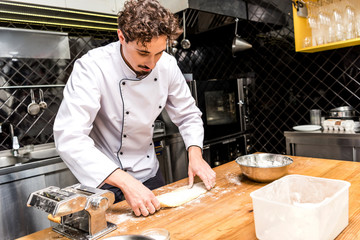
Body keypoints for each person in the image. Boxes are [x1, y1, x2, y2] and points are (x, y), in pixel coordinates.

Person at [53, 0, 216, 217]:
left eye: (158, 53)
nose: (151, 63)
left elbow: (188, 115)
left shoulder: (167, 65)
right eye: (142, 53)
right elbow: (69, 137)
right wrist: (126, 183)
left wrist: (195, 154)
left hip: (149, 173)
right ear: (121, 37)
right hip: (105, 180)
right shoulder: (92, 67)